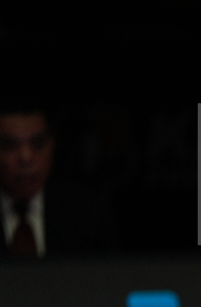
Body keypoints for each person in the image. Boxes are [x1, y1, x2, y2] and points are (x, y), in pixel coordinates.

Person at [0, 106, 117, 260]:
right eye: (9, 145)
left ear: (53, 144)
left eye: (38, 143)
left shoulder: (89, 213)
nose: (25, 158)